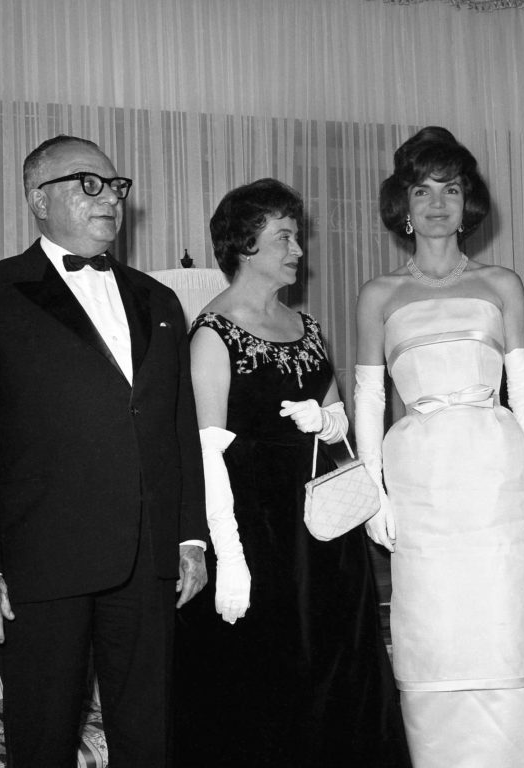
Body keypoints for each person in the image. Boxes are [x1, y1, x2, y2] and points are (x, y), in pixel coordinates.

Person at [0, 135, 208, 767]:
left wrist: (189, 537)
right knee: (43, 734)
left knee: (147, 732)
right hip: (41, 562)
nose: (108, 197)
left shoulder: (159, 300)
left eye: (114, 185)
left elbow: (177, 428)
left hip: (147, 556)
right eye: (89, 183)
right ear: (37, 198)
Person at [173, 178, 411, 768]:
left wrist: (330, 425)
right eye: (284, 237)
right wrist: (228, 559)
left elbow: (339, 428)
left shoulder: (306, 327)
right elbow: (206, 457)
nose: (298, 250)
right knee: (269, 679)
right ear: (244, 245)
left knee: (339, 668)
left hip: (324, 531)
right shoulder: (211, 334)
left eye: (296, 236)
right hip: (256, 535)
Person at [355, 126, 524, 767]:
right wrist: (373, 495)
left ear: (467, 200)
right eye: (423, 190)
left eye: (451, 188)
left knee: (502, 631)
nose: (438, 202)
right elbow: (366, 399)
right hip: (420, 484)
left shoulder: (502, 284)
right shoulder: (379, 295)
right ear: (403, 204)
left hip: (495, 477)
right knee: (435, 634)